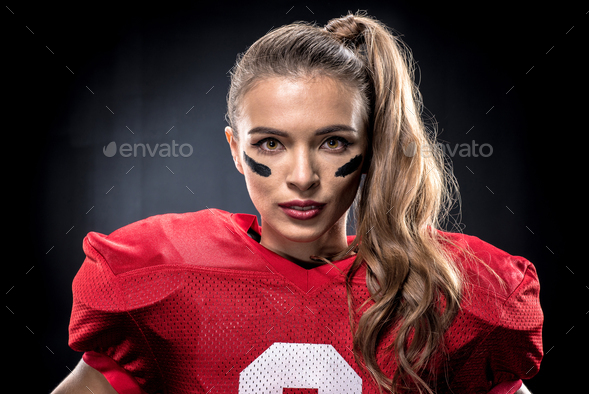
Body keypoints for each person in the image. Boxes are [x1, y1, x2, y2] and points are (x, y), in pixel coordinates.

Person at [51, 10, 542, 394]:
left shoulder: (442, 290)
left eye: (333, 143)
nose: (303, 178)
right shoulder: (164, 280)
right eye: (270, 144)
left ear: (369, 147)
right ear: (234, 150)